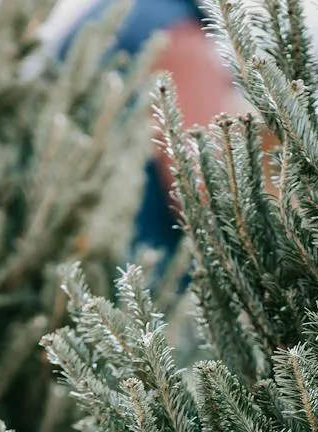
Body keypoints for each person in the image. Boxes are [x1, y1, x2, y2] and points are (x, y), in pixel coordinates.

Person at [57, 0, 241, 253]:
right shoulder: (174, 33)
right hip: (152, 274)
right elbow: (211, 192)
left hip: (79, 263)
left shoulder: (98, 22)